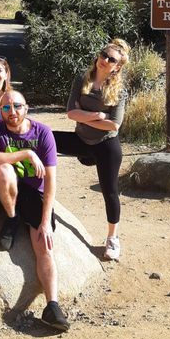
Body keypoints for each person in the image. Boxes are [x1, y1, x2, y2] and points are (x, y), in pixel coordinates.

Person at [0, 89, 70, 332]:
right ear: (0, 111)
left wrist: (45, 221)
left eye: (17, 107)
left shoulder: (43, 132)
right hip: (6, 189)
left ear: (26, 108)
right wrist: (27, 154)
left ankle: (52, 306)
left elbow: (51, 180)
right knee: (2, 170)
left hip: (34, 193)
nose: (12, 112)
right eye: (7, 108)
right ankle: (11, 218)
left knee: (44, 245)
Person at [53, 39, 130, 262]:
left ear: (118, 66)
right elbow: (70, 112)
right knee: (44, 138)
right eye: (103, 54)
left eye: (111, 59)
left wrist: (84, 115)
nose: (105, 60)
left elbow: (114, 125)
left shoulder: (119, 91)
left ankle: (112, 238)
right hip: (81, 141)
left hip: (106, 147)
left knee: (110, 191)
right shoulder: (82, 78)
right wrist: (97, 117)